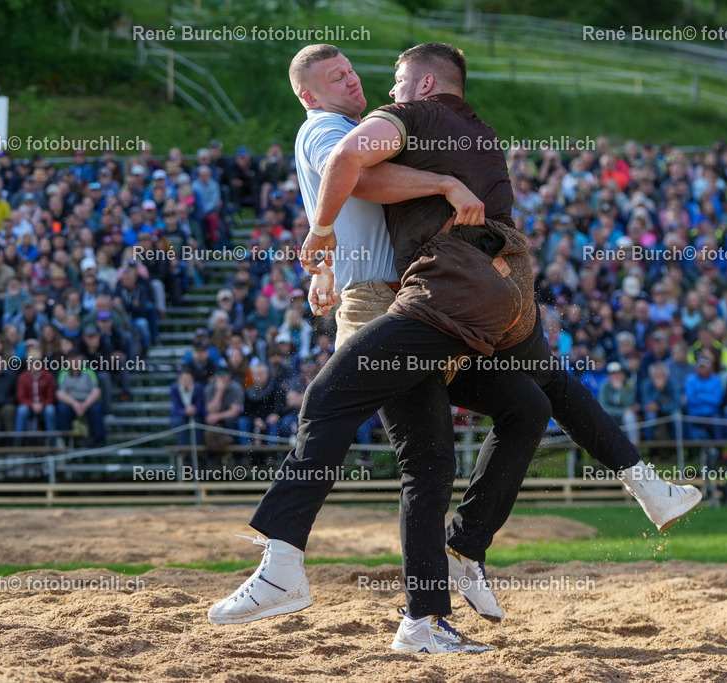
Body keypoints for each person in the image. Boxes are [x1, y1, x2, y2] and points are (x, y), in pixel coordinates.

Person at [209, 43, 700, 651]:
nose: (357, 82)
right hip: (394, 302)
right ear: (309, 95)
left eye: (355, 71)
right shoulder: (329, 127)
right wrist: (437, 184)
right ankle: (360, 588)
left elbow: (352, 196)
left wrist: (325, 258)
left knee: (526, 402)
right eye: (336, 77)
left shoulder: (393, 124)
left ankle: (460, 560)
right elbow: (353, 168)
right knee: (412, 444)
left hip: (429, 300)